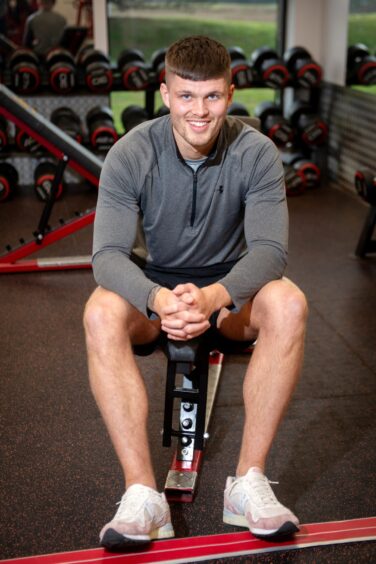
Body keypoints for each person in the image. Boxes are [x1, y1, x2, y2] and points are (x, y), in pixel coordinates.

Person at [83, 35, 308, 551]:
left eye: (211, 96)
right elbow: (107, 256)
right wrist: (160, 300)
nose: (199, 111)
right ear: (165, 93)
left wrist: (214, 297)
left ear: (230, 94)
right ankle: (142, 493)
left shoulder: (256, 152)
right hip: (154, 290)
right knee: (99, 311)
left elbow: (271, 252)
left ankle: (248, 483)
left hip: (230, 294)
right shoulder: (130, 153)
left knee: (288, 301)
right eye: (186, 96)